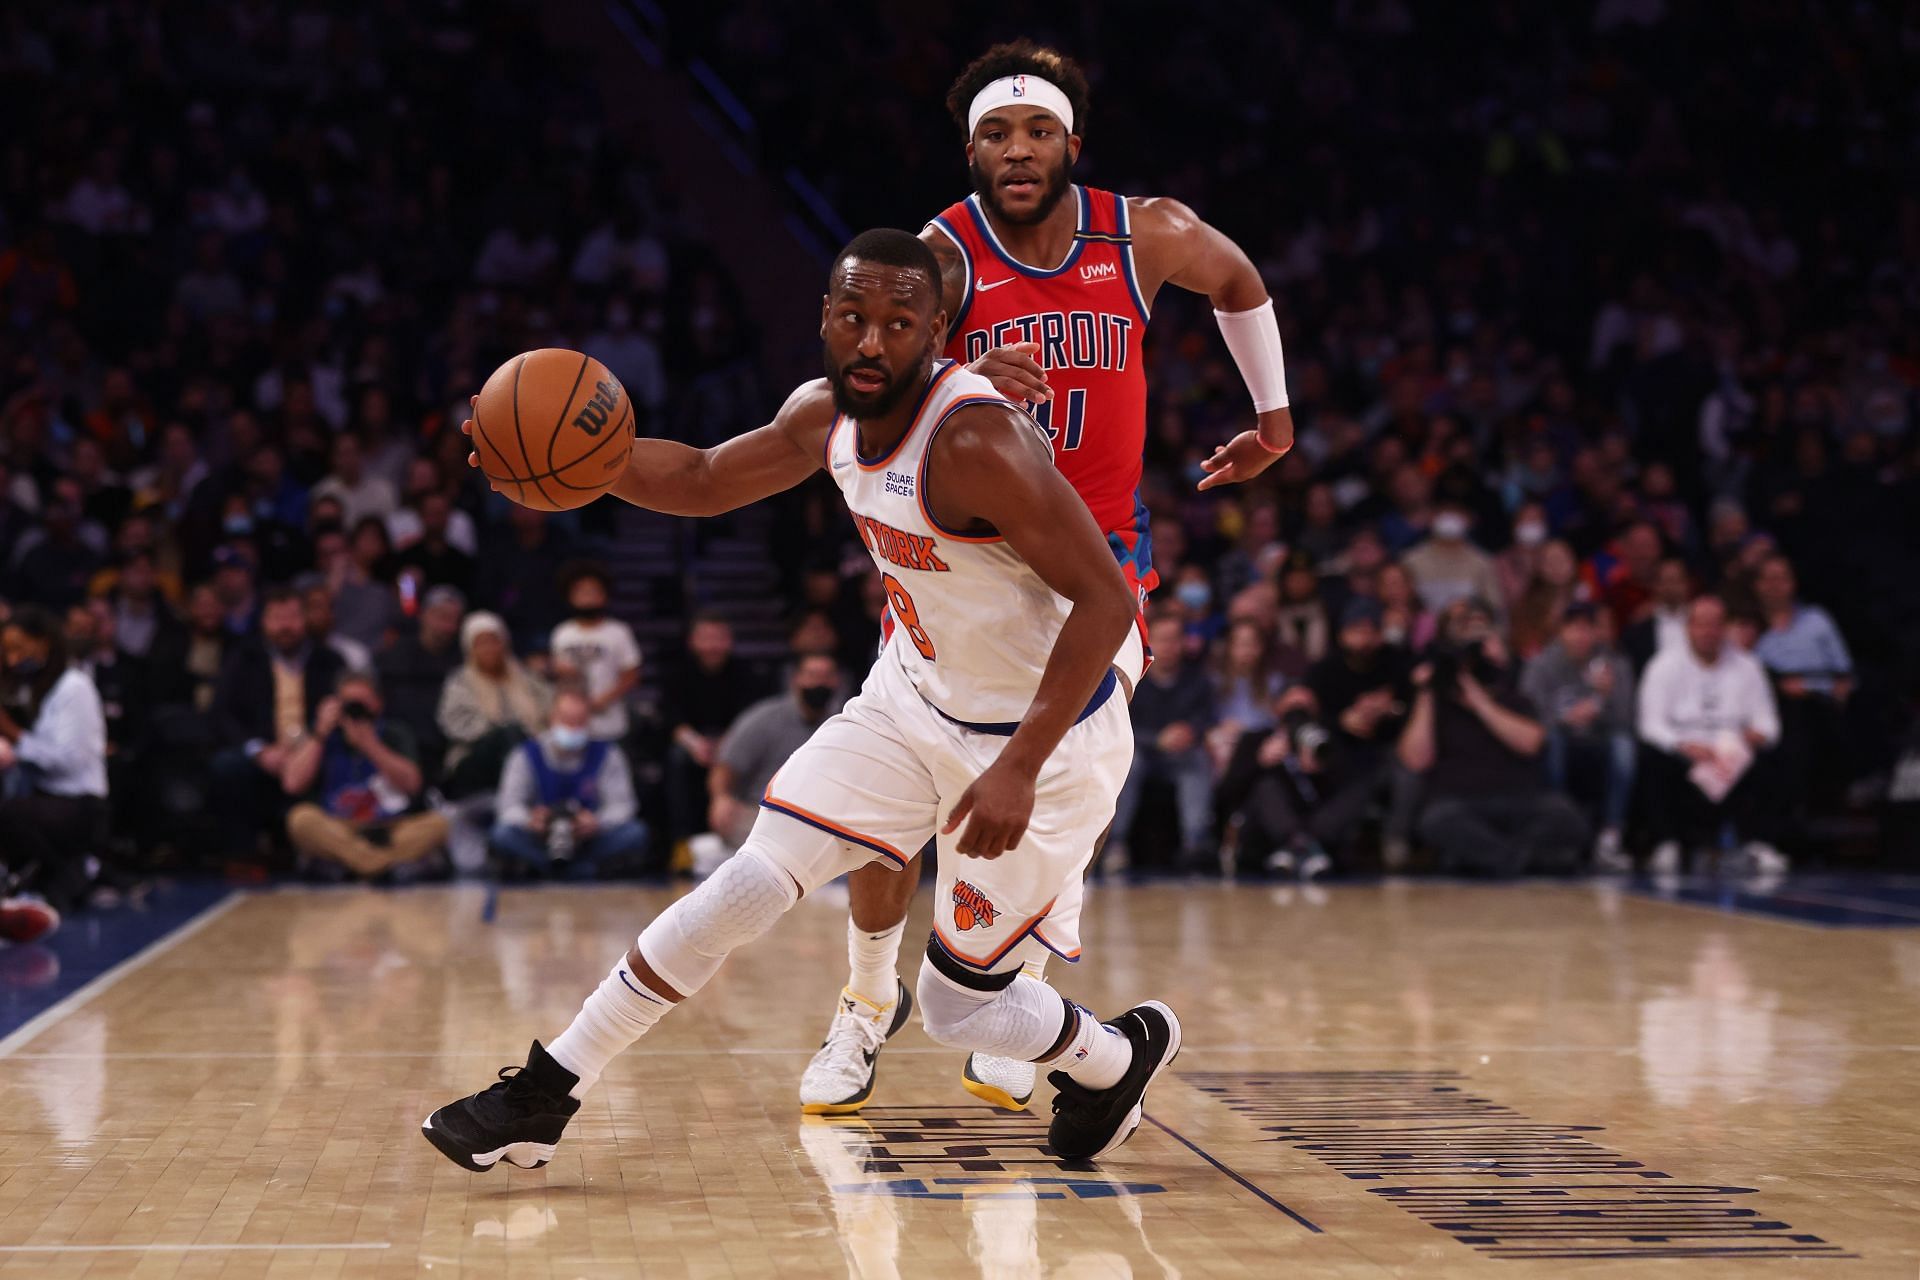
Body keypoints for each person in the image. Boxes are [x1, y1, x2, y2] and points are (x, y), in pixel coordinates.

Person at [424, 229, 1179, 1173]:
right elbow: (702, 479)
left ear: (934, 330)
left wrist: (1018, 766)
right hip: (911, 694)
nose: (870, 342)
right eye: (853, 318)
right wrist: (570, 464)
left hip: (1044, 737)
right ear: (824, 317)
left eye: (898, 325)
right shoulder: (823, 412)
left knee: (958, 1007)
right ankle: (549, 1088)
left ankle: (1117, 1057)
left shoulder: (976, 441)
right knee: (750, 879)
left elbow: (1109, 598)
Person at [810, 39, 1297, 1115]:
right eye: (995, 133)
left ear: (1073, 142)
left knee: (1058, 781)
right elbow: (877, 372)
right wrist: (962, 372)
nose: (1018, 150)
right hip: (968, 560)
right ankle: (861, 1002)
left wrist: (1272, 417)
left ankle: (1016, 991)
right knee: (896, 807)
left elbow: (1241, 280)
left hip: (1097, 567)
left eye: (1036, 131)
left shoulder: (1146, 229)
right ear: (970, 148)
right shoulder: (941, 251)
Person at [1398, 598, 1589, 876]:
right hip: (1460, 800)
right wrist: (1427, 691)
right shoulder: (1435, 699)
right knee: (1436, 821)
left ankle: (1489, 858)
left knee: (1567, 817)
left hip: (1520, 797)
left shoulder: (1514, 694)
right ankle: (1521, 861)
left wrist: (1480, 702)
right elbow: (1415, 760)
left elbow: (1532, 743)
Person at [1637, 595, 1785, 874]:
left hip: (1732, 753)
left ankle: (1756, 844)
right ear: (1688, 628)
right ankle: (1667, 843)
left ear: (1725, 627)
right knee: (1651, 756)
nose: (1709, 632)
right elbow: (1650, 725)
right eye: (1701, 625)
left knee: (1772, 757)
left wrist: (1754, 736)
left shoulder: (1748, 666)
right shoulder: (1664, 666)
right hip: (1685, 754)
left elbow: (1769, 724)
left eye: (1716, 625)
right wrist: (1683, 746)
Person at [209, 586, 349, 861]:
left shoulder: (329, 661)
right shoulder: (243, 658)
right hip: (262, 751)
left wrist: (309, 747)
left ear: (305, 619)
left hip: (314, 749)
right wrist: (259, 750)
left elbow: (340, 713)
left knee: (338, 762)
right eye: (277, 617)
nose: (286, 625)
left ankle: (323, 852)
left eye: (293, 617)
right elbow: (222, 714)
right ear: (263, 621)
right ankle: (242, 856)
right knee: (226, 766)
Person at [0, 606, 108, 941]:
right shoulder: (32, 688)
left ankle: (71, 877)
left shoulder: (73, 686)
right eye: (8, 652)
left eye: (20, 648)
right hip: (45, 797)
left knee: (7, 813)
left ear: (44, 641)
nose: (15, 659)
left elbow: (67, 761)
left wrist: (13, 734)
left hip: (80, 802)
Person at [282, 670, 448, 879]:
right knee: (301, 819)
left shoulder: (394, 732)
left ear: (378, 703)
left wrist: (370, 745)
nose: (355, 710)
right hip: (339, 828)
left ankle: (354, 865)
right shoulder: (324, 733)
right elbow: (292, 783)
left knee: (439, 824)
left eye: (362, 703)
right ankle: (383, 866)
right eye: (348, 703)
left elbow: (413, 784)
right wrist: (320, 733)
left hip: (391, 828)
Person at [1520, 603, 1636, 868]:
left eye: (1587, 629)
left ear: (1597, 632)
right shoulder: (1541, 665)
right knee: (1553, 741)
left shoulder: (1615, 666)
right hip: (1558, 740)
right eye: (1574, 628)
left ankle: (1610, 836)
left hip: (1598, 741)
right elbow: (1528, 715)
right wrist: (1563, 719)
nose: (1580, 636)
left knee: (1624, 747)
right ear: (1561, 631)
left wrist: (1604, 698)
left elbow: (1626, 721)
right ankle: (1558, 829)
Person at [489, 688, 648, 878]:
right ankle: (566, 869)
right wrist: (531, 820)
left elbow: (623, 805)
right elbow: (508, 806)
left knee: (635, 833)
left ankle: (561, 870)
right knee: (502, 834)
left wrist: (597, 822)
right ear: (551, 718)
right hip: (541, 839)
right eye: (566, 720)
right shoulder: (525, 754)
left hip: (588, 840)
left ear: (588, 721)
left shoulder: (608, 754)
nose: (572, 728)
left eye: (579, 721)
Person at [1305, 597, 1416, 865]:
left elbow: (1413, 709)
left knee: (1407, 770)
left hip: (1389, 747)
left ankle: (1395, 837)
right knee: (1344, 767)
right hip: (1343, 748)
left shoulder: (1396, 663)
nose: (1363, 639)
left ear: (1380, 634)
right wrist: (1343, 721)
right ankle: (1326, 839)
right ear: (1342, 634)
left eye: (1370, 631)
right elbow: (1312, 716)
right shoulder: (1325, 670)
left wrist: (1391, 710)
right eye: (1356, 630)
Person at [1108, 613, 1218, 874]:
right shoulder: (1131, 680)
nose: (1169, 646)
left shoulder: (1198, 680)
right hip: (1141, 752)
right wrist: (1157, 739)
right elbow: (1119, 723)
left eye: (1174, 639)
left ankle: (1195, 844)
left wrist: (1190, 731)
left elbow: (1207, 717)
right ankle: (1115, 845)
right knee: (1129, 764)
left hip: (1182, 754)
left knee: (1198, 761)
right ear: (1150, 642)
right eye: (1163, 640)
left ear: (1183, 643)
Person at [706, 652, 846, 851]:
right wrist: (721, 798)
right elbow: (726, 765)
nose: (820, 683)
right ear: (796, 679)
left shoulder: (846, 723)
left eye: (826, 677)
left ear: (837, 681)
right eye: (813, 675)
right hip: (764, 813)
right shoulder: (765, 717)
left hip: (826, 816)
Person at [660, 613, 769, 844]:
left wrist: (726, 745)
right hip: (692, 743)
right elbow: (670, 716)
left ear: (729, 640)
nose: (712, 645)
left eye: (718, 638)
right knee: (676, 760)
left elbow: (751, 718)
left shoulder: (746, 673)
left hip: (735, 741)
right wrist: (695, 744)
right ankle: (681, 843)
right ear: (693, 641)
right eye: (705, 637)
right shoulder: (677, 672)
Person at [438, 611, 551, 796]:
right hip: (475, 756)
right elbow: (456, 724)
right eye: (481, 643)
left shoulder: (527, 678)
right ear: (470, 648)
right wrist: (501, 732)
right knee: (509, 735)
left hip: (530, 748)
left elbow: (551, 711)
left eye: (494, 641)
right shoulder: (460, 682)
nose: (489, 648)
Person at [376, 583, 465, 777]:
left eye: (454, 620)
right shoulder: (396, 655)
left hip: (446, 746)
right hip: (402, 747)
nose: (448, 627)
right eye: (442, 617)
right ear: (424, 615)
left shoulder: (462, 661)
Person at [550, 564, 641, 744]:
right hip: (572, 722)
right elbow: (557, 673)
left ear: (604, 596)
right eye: (581, 592)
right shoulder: (562, 633)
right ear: (570, 597)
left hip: (608, 721)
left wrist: (604, 699)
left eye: (593, 592)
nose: (587, 598)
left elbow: (632, 676)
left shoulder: (618, 631)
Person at [1621, 557, 1692, 674]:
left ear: (1686, 584)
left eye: (1676, 580)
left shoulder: (1700, 624)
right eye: (1666, 581)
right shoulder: (1639, 631)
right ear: (1656, 585)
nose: (1671, 587)